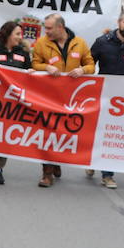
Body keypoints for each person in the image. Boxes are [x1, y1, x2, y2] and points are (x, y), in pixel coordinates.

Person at [30, 14, 95, 187]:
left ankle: (56, 160)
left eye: (50, 28)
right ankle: (47, 173)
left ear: (61, 28)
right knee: (47, 132)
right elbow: (35, 64)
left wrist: (82, 70)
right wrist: (46, 67)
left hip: (71, 98)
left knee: (63, 132)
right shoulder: (41, 43)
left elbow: (91, 66)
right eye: (46, 28)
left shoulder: (79, 43)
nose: (47, 31)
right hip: (49, 97)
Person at [90, 10, 124, 189]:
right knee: (97, 134)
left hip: (122, 102)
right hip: (102, 96)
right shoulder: (102, 42)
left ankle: (108, 174)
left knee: (111, 136)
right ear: (119, 22)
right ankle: (92, 162)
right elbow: (89, 62)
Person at [0, 20, 35, 184]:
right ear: (7, 34)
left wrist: (31, 72)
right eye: (17, 34)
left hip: (12, 102)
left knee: (4, 134)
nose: (20, 37)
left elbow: (28, 71)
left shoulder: (23, 53)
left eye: (21, 34)